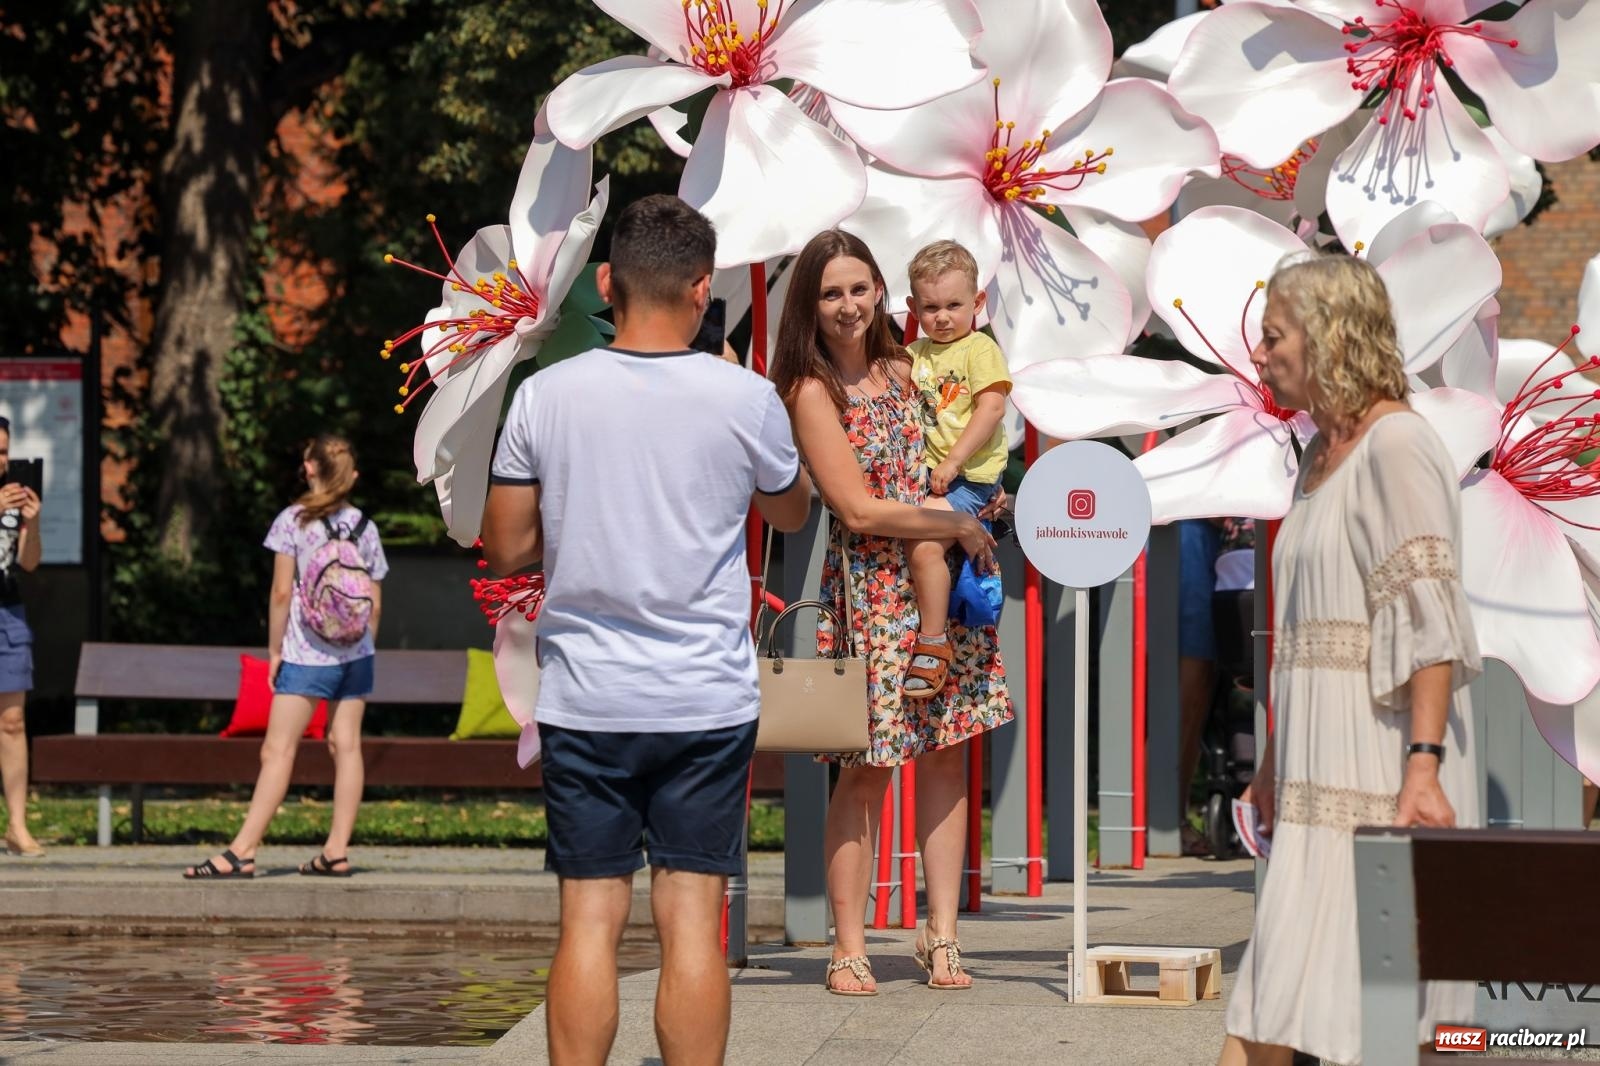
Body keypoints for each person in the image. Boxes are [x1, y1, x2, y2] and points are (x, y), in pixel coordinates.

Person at [480, 194, 812, 1066]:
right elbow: (790, 505)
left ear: (605, 281)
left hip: (588, 697)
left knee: (590, 919)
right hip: (705, 697)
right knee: (692, 920)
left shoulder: (543, 397)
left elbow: (508, 545)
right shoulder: (745, 398)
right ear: (703, 288)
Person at [1222, 252, 1481, 1066]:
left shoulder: (1396, 445)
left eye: (1273, 336)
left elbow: (1430, 618)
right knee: (1281, 1001)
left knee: (1341, 1016)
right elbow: (1304, 628)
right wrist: (1269, 761)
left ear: (1328, 337)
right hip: (1313, 779)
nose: (1261, 355)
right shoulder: (1317, 456)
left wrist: (1424, 768)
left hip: (1382, 770)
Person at [771, 229, 1014, 996]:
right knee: (868, 770)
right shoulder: (811, 390)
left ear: (882, 292)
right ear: (812, 304)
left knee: (948, 753)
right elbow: (856, 507)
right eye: (831, 292)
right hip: (874, 593)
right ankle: (849, 943)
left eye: (858, 287)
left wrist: (980, 502)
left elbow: (974, 427)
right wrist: (952, 523)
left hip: (943, 576)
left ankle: (940, 934)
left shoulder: (909, 367)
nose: (848, 305)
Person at [184, 434, 387, 880]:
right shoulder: (365, 526)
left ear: (309, 468)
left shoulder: (294, 521)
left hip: (307, 652)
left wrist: (275, 650)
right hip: (357, 654)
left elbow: (280, 593)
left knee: (278, 750)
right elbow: (374, 596)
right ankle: (335, 850)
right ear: (352, 476)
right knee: (347, 746)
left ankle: (242, 850)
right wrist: (360, 644)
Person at [900, 240, 1011, 699]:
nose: (942, 316)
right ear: (913, 307)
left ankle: (933, 642)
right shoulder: (915, 353)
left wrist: (952, 461)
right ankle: (959, 597)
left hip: (969, 476)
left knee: (924, 544)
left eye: (953, 305)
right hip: (939, 476)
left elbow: (991, 409)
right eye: (930, 307)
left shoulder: (978, 349)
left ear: (978, 303)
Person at [0, 415, 44, 858]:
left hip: (7, 612)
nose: (1, 459)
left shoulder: (14, 496)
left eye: (3, 450)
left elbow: (29, 563)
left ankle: (17, 825)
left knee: (12, 721)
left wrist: (33, 523)